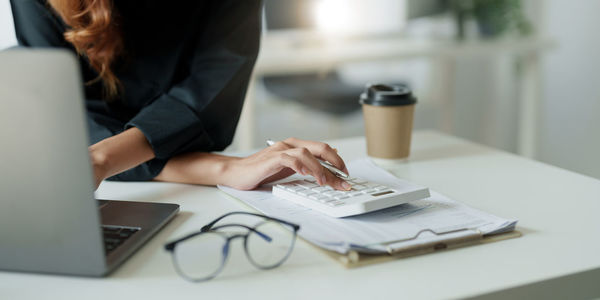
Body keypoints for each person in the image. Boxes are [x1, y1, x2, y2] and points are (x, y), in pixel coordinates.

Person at [9, 0, 351, 191]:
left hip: (160, 186)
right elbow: (69, 119)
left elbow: (210, 97)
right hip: (91, 189)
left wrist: (100, 160)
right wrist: (220, 170)